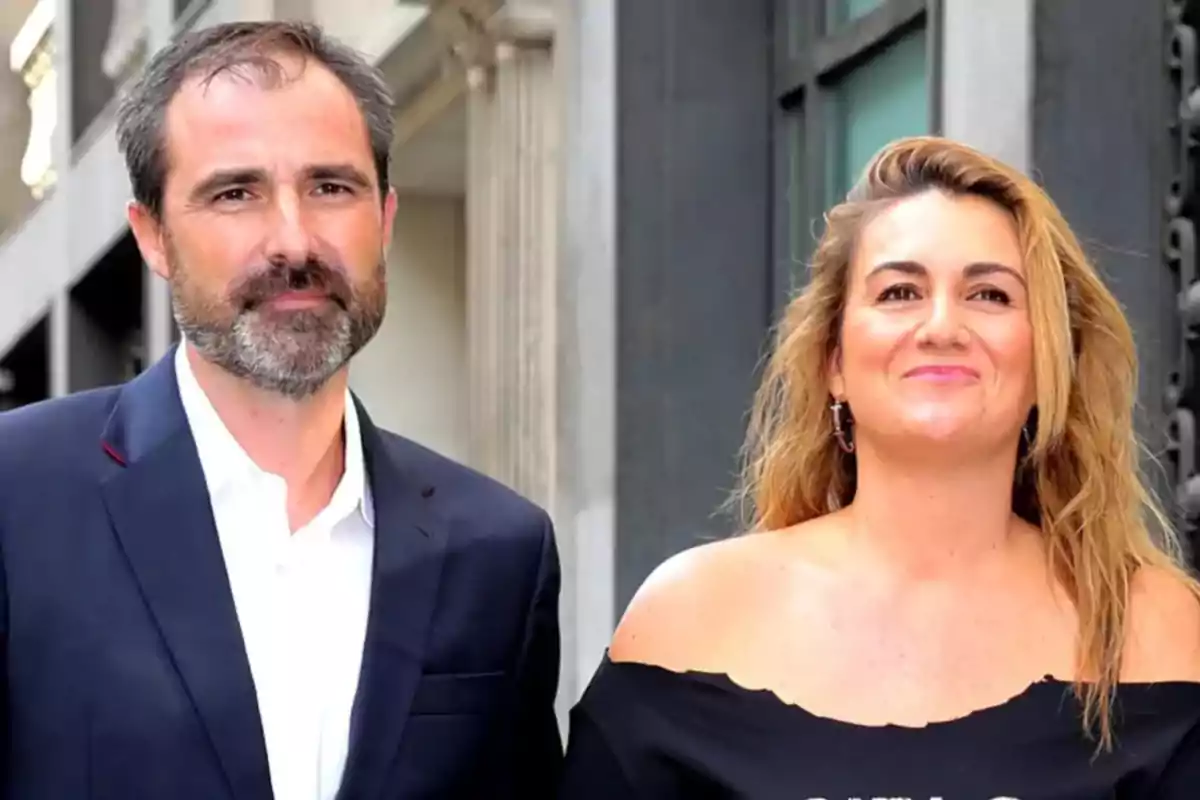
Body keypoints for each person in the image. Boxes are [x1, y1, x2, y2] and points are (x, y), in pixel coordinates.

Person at [0, 21, 562, 800]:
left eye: (331, 187)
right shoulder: (16, 498)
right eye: (236, 193)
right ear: (153, 237)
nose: (293, 241)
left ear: (385, 220)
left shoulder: (500, 551)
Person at [558, 137, 1200, 798]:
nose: (942, 325)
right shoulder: (689, 621)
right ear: (833, 361)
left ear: (1048, 362)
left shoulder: (1151, 628)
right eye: (899, 292)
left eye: (990, 295)